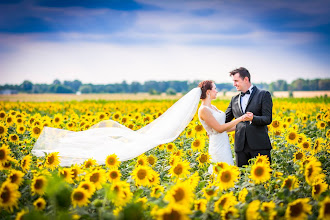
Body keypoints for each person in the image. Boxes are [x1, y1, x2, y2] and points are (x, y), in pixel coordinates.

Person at [225, 67, 273, 167]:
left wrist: (253, 118)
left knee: (263, 181)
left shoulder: (264, 95)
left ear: (246, 79)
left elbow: (268, 119)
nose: (234, 84)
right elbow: (225, 119)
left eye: (236, 81)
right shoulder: (234, 99)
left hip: (260, 146)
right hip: (240, 148)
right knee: (242, 180)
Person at [197, 80, 248, 173]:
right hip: (217, 145)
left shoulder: (213, 107)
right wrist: (240, 119)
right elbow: (219, 129)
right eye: (214, 89)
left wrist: (244, 125)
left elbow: (225, 129)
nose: (216, 91)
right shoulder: (203, 110)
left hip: (224, 144)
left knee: (229, 171)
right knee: (221, 172)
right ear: (208, 92)